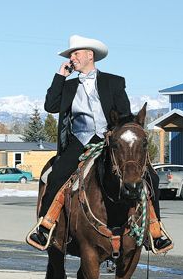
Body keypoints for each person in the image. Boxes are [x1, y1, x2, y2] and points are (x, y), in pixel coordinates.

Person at [29, 35, 172, 251]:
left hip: (109, 140)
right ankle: (45, 226)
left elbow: (124, 114)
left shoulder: (113, 82)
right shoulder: (68, 86)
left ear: (90, 55)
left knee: (149, 176)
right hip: (79, 141)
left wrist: (119, 135)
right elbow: (51, 106)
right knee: (57, 174)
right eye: (71, 55)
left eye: (75, 54)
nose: (72, 58)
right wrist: (60, 76)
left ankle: (156, 230)